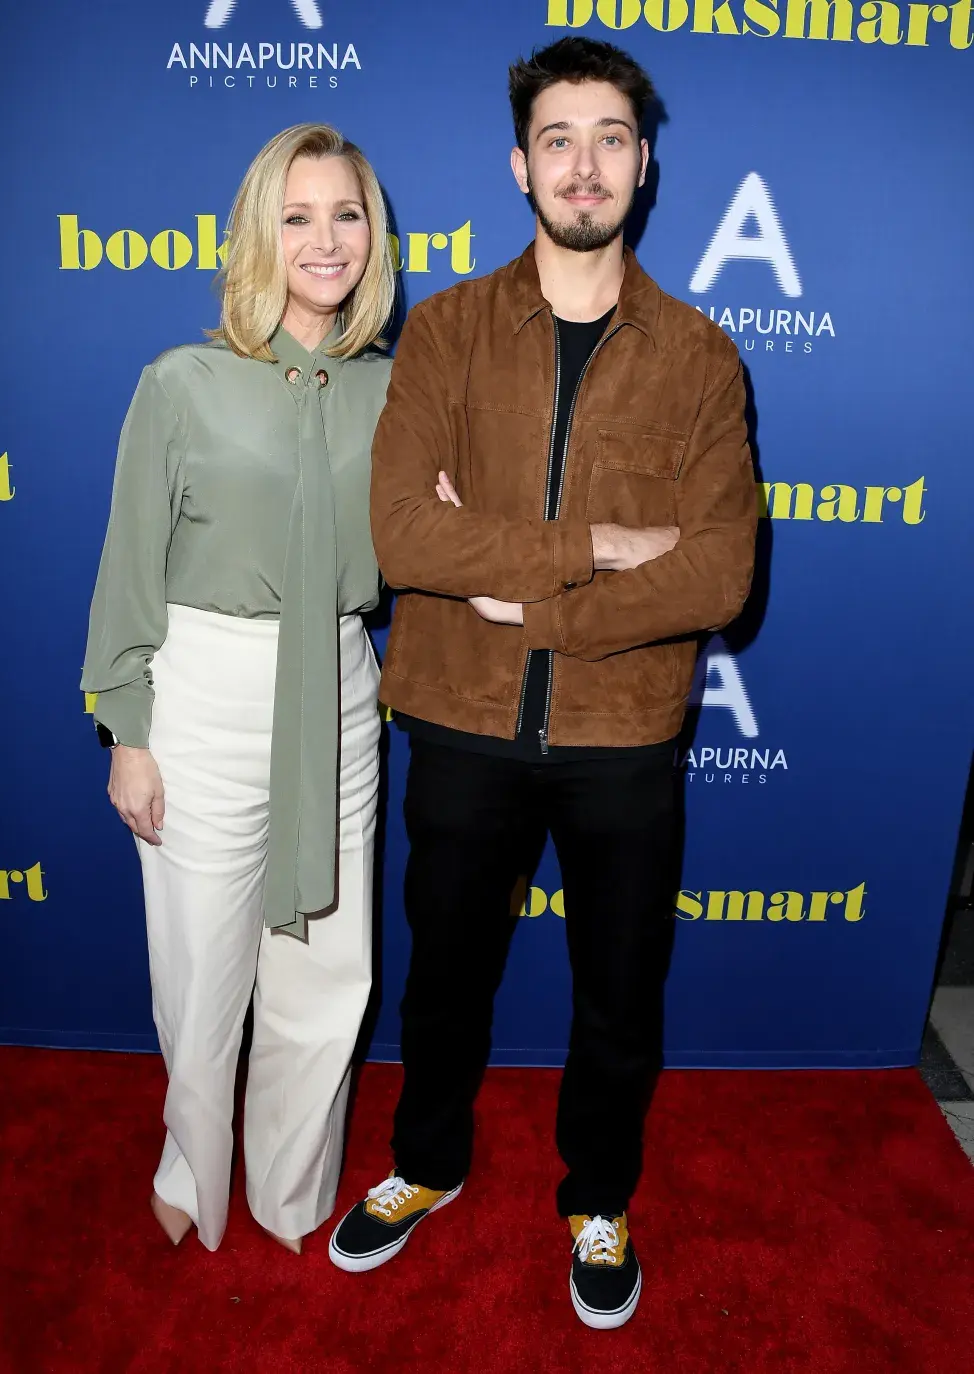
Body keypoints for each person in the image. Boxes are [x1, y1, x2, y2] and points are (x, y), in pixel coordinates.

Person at [329, 38, 756, 1329]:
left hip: (623, 728)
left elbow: (720, 573)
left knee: (619, 988)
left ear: (644, 165)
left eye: (610, 137)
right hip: (458, 714)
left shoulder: (697, 354)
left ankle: (600, 1193)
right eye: (559, 137)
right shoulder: (448, 330)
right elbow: (406, 536)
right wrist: (596, 550)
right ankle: (426, 1161)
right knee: (443, 974)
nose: (584, 163)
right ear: (519, 164)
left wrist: (533, 601)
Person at [81, 123, 394, 1253]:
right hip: (207, 693)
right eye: (297, 215)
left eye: (346, 214)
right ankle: (191, 1158)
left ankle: (293, 1183)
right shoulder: (183, 383)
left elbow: (444, 548)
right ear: (258, 234)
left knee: (326, 970)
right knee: (203, 974)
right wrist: (129, 728)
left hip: (344, 692)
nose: (325, 239)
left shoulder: (397, 393)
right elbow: (129, 565)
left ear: (375, 235)